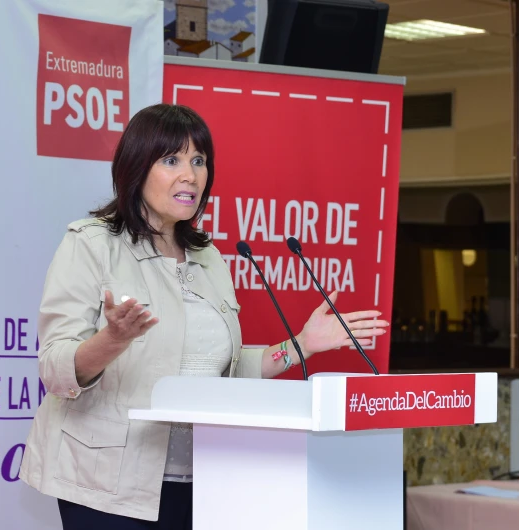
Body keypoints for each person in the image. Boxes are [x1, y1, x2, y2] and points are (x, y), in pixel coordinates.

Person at [19, 104, 389, 530]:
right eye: (171, 160)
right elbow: (55, 367)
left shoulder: (208, 258)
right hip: (108, 486)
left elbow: (222, 374)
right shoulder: (92, 244)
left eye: (199, 161)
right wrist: (113, 339)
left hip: (203, 480)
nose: (190, 176)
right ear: (136, 168)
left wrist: (302, 345)